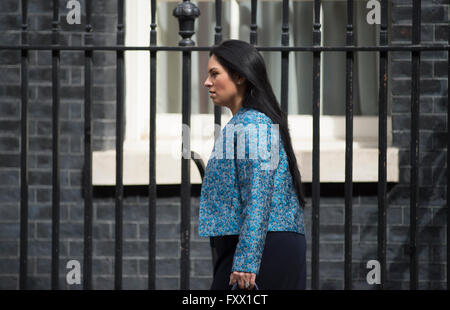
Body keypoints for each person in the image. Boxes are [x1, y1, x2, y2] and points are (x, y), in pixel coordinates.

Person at [199, 39, 307, 290]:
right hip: (258, 244)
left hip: (264, 248)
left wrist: (247, 261)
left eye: (215, 74)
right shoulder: (245, 122)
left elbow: (258, 192)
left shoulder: (254, 124)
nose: (207, 82)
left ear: (239, 76)